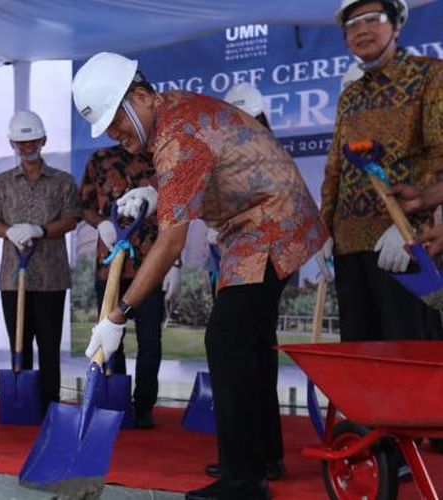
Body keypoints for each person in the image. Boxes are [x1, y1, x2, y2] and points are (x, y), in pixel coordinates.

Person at [72, 52, 327, 500]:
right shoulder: (173, 115)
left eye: (116, 120)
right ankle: (261, 457)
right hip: (257, 223)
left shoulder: (176, 133)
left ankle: (243, 480)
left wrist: (118, 314)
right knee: (250, 343)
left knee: (227, 340)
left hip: (267, 222)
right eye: (107, 129)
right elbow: (201, 171)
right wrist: (154, 190)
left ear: (141, 96)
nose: (116, 134)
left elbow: (171, 242)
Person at [320, 0, 443, 343]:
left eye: (372, 19)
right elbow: (335, 168)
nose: (361, 30)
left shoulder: (430, 75)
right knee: (361, 361)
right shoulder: (350, 97)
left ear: (397, 24)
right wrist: (324, 228)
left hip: (406, 247)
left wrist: (415, 225)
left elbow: (441, 157)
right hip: (349, 251)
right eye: (351, 25)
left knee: (411, 358)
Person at [0, 110, 81, 415]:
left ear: (44, 140)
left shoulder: (63, 181)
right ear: (12, 144)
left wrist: (40, 230)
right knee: (19, 344)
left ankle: (49, 403)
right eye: (21, 143)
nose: (27, 148)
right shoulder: (2, 183)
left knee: (49, 346)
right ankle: (22, 404)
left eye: (32, 141)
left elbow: (71, 220)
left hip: (51, 277)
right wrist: (9, 231)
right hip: (13, 278)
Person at [78, 144, 181, 429]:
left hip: (152, 263)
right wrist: (101, 224)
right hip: (110, 264)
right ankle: (115, 402)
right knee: (111, 338)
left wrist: (175, 263)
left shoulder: (162, 158)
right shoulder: (99, 159)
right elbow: (84, 205)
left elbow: (176, 214)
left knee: (150, 341)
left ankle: (144, 406)